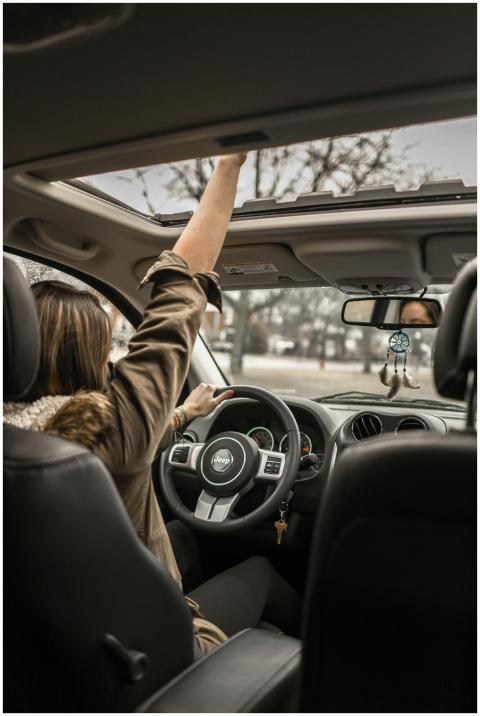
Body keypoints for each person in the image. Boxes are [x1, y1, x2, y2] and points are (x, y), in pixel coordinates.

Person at [3, 152, 301, 656]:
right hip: (164, 657)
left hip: (58, 657)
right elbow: (182, 287)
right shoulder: (111, 431)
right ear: (91, 358)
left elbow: (142, 437)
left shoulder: (25, 449)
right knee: (263, 572)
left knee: (185, 540)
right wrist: (230, 164)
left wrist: (184, 414)